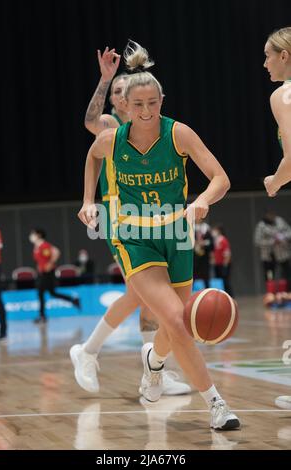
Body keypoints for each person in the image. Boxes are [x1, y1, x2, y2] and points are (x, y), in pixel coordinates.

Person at [76, 40, 240, 430]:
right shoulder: (111, 138)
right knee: (180, 322)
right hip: (132, 235)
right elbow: (92, 156)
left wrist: (202, 199)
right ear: (125, 107)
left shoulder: (179, 134)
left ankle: (153, 363)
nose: (147, 111)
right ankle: (217, 405)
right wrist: (87, 200)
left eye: (154, 103)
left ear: (161, 100)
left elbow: (221, 178)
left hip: (176, 233)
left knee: (173, 326)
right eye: (139, 105)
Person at [71, 47, 190, 396]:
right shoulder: (110, 126)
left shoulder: (156, 129)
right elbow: (90, 122)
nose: (128, 96)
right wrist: (106, 79)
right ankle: (93, 352)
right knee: (141, 293)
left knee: (142, 296)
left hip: (157, 217)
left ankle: (148, 365)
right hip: (118, 215)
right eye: (122, 92)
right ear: (120, 101)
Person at [263, 27, 291, 410]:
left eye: (269, 54)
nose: (265, 62)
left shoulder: (283, 95)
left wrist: (275, 180)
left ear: (285, 56)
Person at [29, 228, 80, 323]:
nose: (31, 236)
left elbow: (55, 252)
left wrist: (50, 263)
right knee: (52, 293)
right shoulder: (37, 246)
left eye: (33, 234)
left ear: (39, 235)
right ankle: (73, 300)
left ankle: (42, 316)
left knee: (41, 293)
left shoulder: (44, 245)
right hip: (42, 273)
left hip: (47, 273)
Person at [254, 210, 291, 285]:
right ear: (266, 216)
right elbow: (257, 241)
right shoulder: (261, 225)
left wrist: (283, 237)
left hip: (282, 253)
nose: (272, 216)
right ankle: (271, 293)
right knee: (270, 275)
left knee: (286, 273)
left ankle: (287, 292)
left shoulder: (280, 221)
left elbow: (289, 231)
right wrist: (272, 241)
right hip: (268, 256)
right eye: (269, 215)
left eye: (273, 214)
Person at [212, 224, 233, 296]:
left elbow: (227, 253)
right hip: (217, 264)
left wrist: (225, 264)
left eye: (215, 230)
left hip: (224, 264)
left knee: (226, 282)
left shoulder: (223, 240)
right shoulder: (215, 240)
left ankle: (230, 296)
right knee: (219, 282)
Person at [194, 221, 214, 288]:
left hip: (205, 258)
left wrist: (203, 243)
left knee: (206, 277)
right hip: (194, 258)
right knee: (192, 277)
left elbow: (211, 243)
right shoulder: (190, 227)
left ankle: (208, 293)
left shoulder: (207, 228)